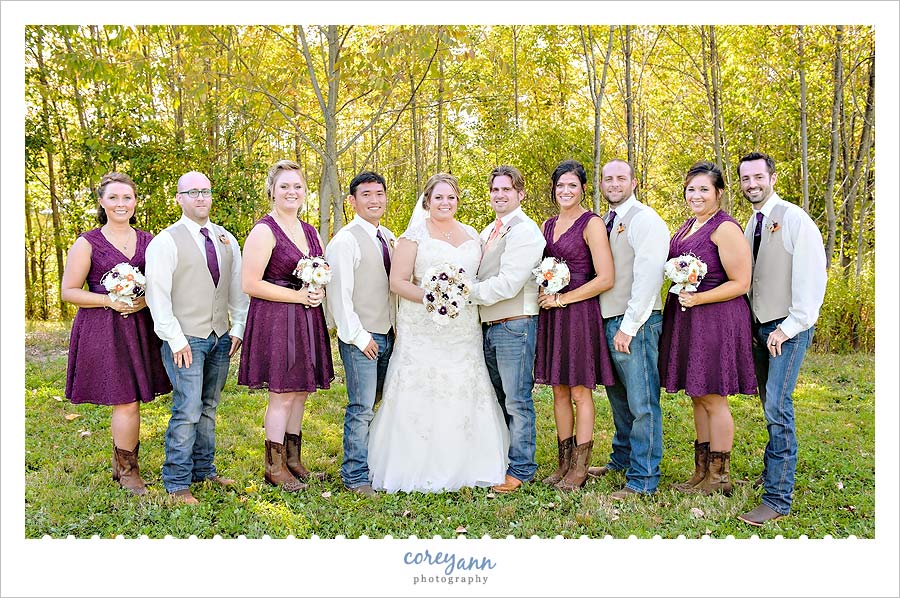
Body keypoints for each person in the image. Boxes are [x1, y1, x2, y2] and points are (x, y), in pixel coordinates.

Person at [366, 173, 509, 493]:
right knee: (422, 388)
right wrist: (433, 297)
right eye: (439, 198)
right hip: (423, 328)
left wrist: (458, 296)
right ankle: (415, 463)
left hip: (463, 329)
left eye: (451, 198)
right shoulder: (413, 236)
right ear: (427, 201)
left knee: (464, 384)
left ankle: (469, 462)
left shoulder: (473, 234)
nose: (445, 203)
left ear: (458, 200)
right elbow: (398, 282)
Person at [61, 172, 172, 495]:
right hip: (104, 328)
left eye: (127, 197)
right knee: (126, 400)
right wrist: (109, 300)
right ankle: (127, 471)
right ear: (101, 202)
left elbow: (163, 284)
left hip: (140, 326)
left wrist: (144, 303)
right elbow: (69, 291)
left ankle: (122, 464)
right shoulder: (87, 242)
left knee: (133, 398)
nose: (121, 204)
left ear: (135, 201)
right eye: (113, 198)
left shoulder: (150, 241)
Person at [145, 171, 249, 505]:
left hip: (220, 336)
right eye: (192, 192)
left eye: (205, 191)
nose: (200, 197)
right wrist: (175, 339)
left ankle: (204, 470)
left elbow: (236, 287)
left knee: (209, 407)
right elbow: (157, 296)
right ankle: (176, 483)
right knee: (187, 408)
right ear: (179, 198)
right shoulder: (166, 241)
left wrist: (237, 328)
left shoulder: (225, 238)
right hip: (185, 339)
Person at [736, 152, 827, 526]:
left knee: (778, 406)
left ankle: (777, 497)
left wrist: (785, 329)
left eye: (758, 176)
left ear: (772, 177)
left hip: (786, 329)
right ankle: (773, 471)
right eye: (745, 179)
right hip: (759, 329)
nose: (752, 184)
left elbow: (811, 285)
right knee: (767, 404)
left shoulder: (795, 220)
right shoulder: (749, 223)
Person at [658, 161, 756, 497]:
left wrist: (699, 300)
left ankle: (719, 477)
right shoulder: (687, 226)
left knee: (714, 396)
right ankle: (700, 472)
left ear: (719, 192)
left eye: (704, 189)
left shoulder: (725, 228)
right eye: (691, 188)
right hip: (688, 317)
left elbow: (741, 283)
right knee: (697, 395)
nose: (696, 195)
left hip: (716, 318)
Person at [238, 160, 335, 492]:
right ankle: (273, 466)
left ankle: (294, 461)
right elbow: (249, 283)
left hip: (306, 319)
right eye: (284, 186)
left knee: (300, 392)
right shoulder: (264, 230)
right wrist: (298, 298)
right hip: (277, 320)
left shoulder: (309, 231)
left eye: (297, 186)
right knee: (281, 394)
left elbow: (317, 272)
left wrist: (317, 291)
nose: (291, 192)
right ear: (272, 191)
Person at [587, 159, 670, 500]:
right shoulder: (607, 221)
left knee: (642, 401)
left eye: (621, 178)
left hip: (636, 322)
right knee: (619, 398)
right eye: (608, 179)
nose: (614, 184)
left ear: (634, 182)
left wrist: (630, 326)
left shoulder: (645, 219)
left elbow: (649, 276)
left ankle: (644, 478)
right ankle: (622, 459)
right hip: (610, 318)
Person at [534, 159, 616, 492]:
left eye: (572, 185)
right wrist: (544, 289)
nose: (565, 191)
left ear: (583, 188)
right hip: (552, 314)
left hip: (579, 313)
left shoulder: (591, 223)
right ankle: (563, 463)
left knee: (580, 392)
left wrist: (563, 299)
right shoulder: (547, 224)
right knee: (558, 390)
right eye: (560, 185)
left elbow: (606, 277)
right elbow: (543, 266)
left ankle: (580, 468)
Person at [470, 166, 546, 494]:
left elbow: (510, 283)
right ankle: (501, 457)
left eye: (507, 190)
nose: (500, 195)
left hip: (515, 324)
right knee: (498, 398)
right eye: (495, 190)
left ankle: (522, 468)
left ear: (520, 194)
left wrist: (464, 293)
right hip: (489, 325)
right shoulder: (489, 230)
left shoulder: (526, 231)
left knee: (517, 400)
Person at [325, 171, 395, 497]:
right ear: (352, 201)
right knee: (362, 407)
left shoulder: (390, 237)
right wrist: (359, 336)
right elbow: (340, 298)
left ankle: (376, 463)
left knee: (383, 403)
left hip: (390, 334)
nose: (374, 200)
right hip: (362, 339)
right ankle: (355, 475)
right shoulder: (345, 241)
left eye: (379, 193)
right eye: (366, 194)